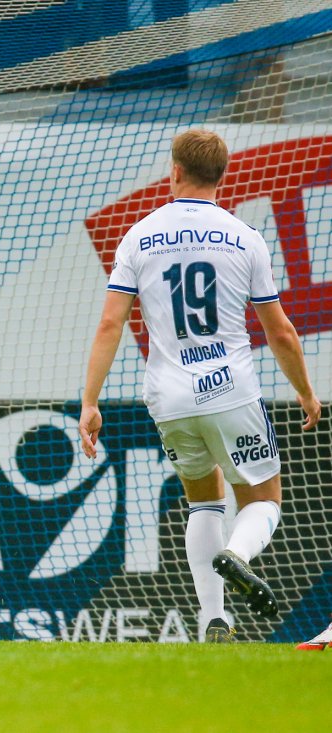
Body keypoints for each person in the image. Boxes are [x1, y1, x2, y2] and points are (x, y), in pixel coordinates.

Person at [78, 129, 321, 643]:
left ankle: (215, 620)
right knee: (263, 500)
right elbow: (279, 330)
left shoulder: (139, 236)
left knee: (203, 502)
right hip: (230, 388)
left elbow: (110, 325)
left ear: (175, 172)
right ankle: (238, 553)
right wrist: (303, 389)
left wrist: (90, 401)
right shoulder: (244, 238)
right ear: (223, 175)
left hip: (169, 396)